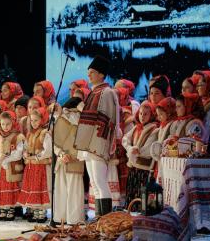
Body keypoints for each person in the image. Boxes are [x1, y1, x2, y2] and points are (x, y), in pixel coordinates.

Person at [75, 55, 119, 217]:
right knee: (94, 182)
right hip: (90, 142)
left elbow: (105, 118)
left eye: (92, 72)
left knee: (100, 182)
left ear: (101, 74)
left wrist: (80, 107)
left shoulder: (107, 92)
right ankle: (100, 217)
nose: (89, 75)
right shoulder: (95, 92)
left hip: (98, 142)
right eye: (89, 72)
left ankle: (105, 218)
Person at [53, 97, 85, 225]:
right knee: (70, 189)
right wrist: (61, 154)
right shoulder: (62, 119)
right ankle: (70, 219)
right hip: (66, 159)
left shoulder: (79, 121)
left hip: (72, 159)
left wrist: (62, 154)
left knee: (69, 189)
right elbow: (55, 142)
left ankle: (68, 219)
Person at [0, 111, 24, 221]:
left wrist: (6, 160)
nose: (5, 127)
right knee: (1, 187)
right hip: (0, 168)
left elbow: (18, 153)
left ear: (13, 123)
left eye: (8, 124)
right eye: (3, 124)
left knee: (10, 187)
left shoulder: (17, 136)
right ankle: (3, 210)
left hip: (11, 167)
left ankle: (11, 210)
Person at [18, 107, 52, 223]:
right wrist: (25, 153)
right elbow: (26, 147)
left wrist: (36, 157)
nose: (34, 123)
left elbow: (48, 151)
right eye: (32, 121)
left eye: (36, 120)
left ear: (42, 120)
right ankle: (35, 212)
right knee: (33, 187)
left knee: (40, 187)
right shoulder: (29, 134)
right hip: (31, 166)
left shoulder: (45, 133)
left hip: (40, 166)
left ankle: (42, 213)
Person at [122, 101, 159, 209]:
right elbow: (125, 139)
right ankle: (131, 213)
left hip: (145, 169)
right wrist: (130, 148)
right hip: (134, 167)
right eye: (141, 113)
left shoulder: (154, 129)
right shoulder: (136, 128)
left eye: (146, 114)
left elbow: (148, 148)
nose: (142, 116)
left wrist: (136, 151)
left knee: (142, 193)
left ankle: (140, 216)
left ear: (151, 115)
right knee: (132, 191)